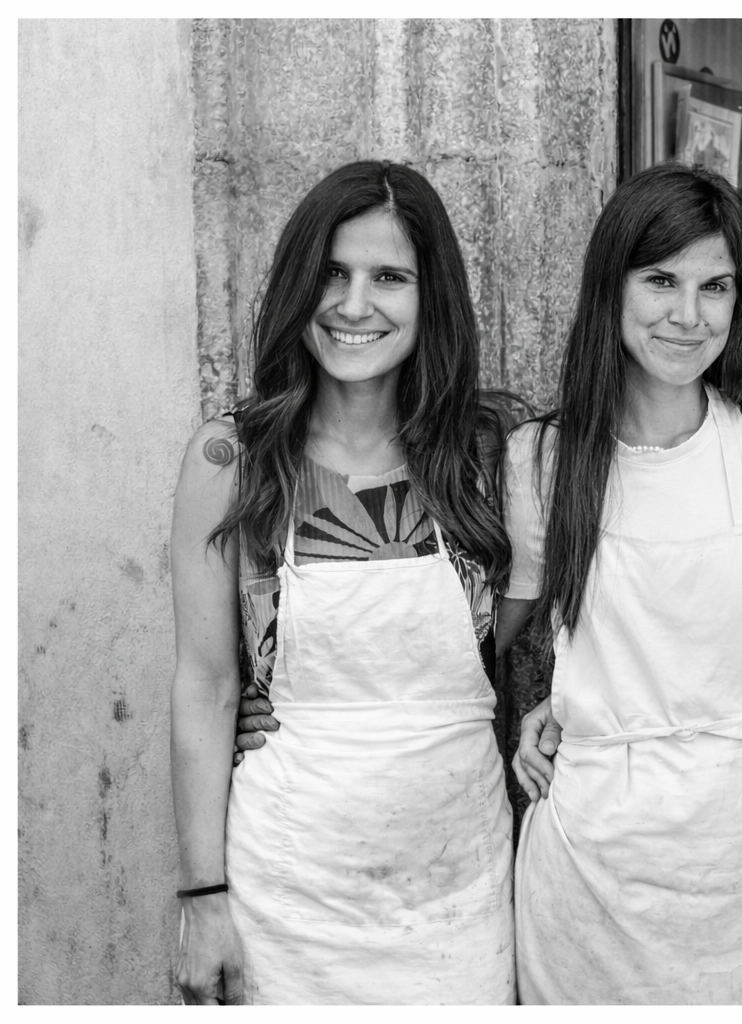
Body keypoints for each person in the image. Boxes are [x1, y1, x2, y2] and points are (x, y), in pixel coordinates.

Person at [170, 161, 525, 1003]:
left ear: (430, 298)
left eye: (389, 277)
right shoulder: (233, 460)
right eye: (333, 273)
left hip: (461, 899)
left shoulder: (493, 454)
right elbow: (207, 683)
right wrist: (201, 898)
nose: (355, 304)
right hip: (289, 903)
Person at [504, 163, 742, 1003]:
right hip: (594, 857)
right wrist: (542, 712)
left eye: (715, 287)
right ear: (610, 287)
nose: (688, 316)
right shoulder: (542, 459)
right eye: (660, 280)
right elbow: (508, 634)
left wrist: (691, 717)